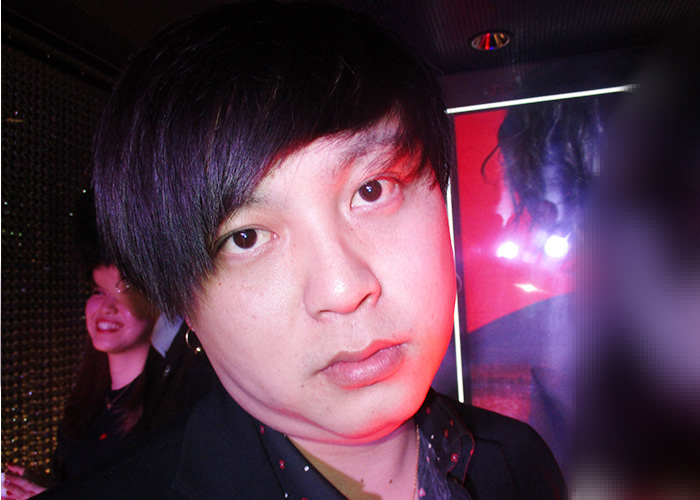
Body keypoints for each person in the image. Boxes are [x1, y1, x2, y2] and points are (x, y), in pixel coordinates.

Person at [38, 1, 566, 498]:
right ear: (183, 304)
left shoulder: (518, 463)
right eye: (245, 237)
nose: (343, 289)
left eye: (372, 190)